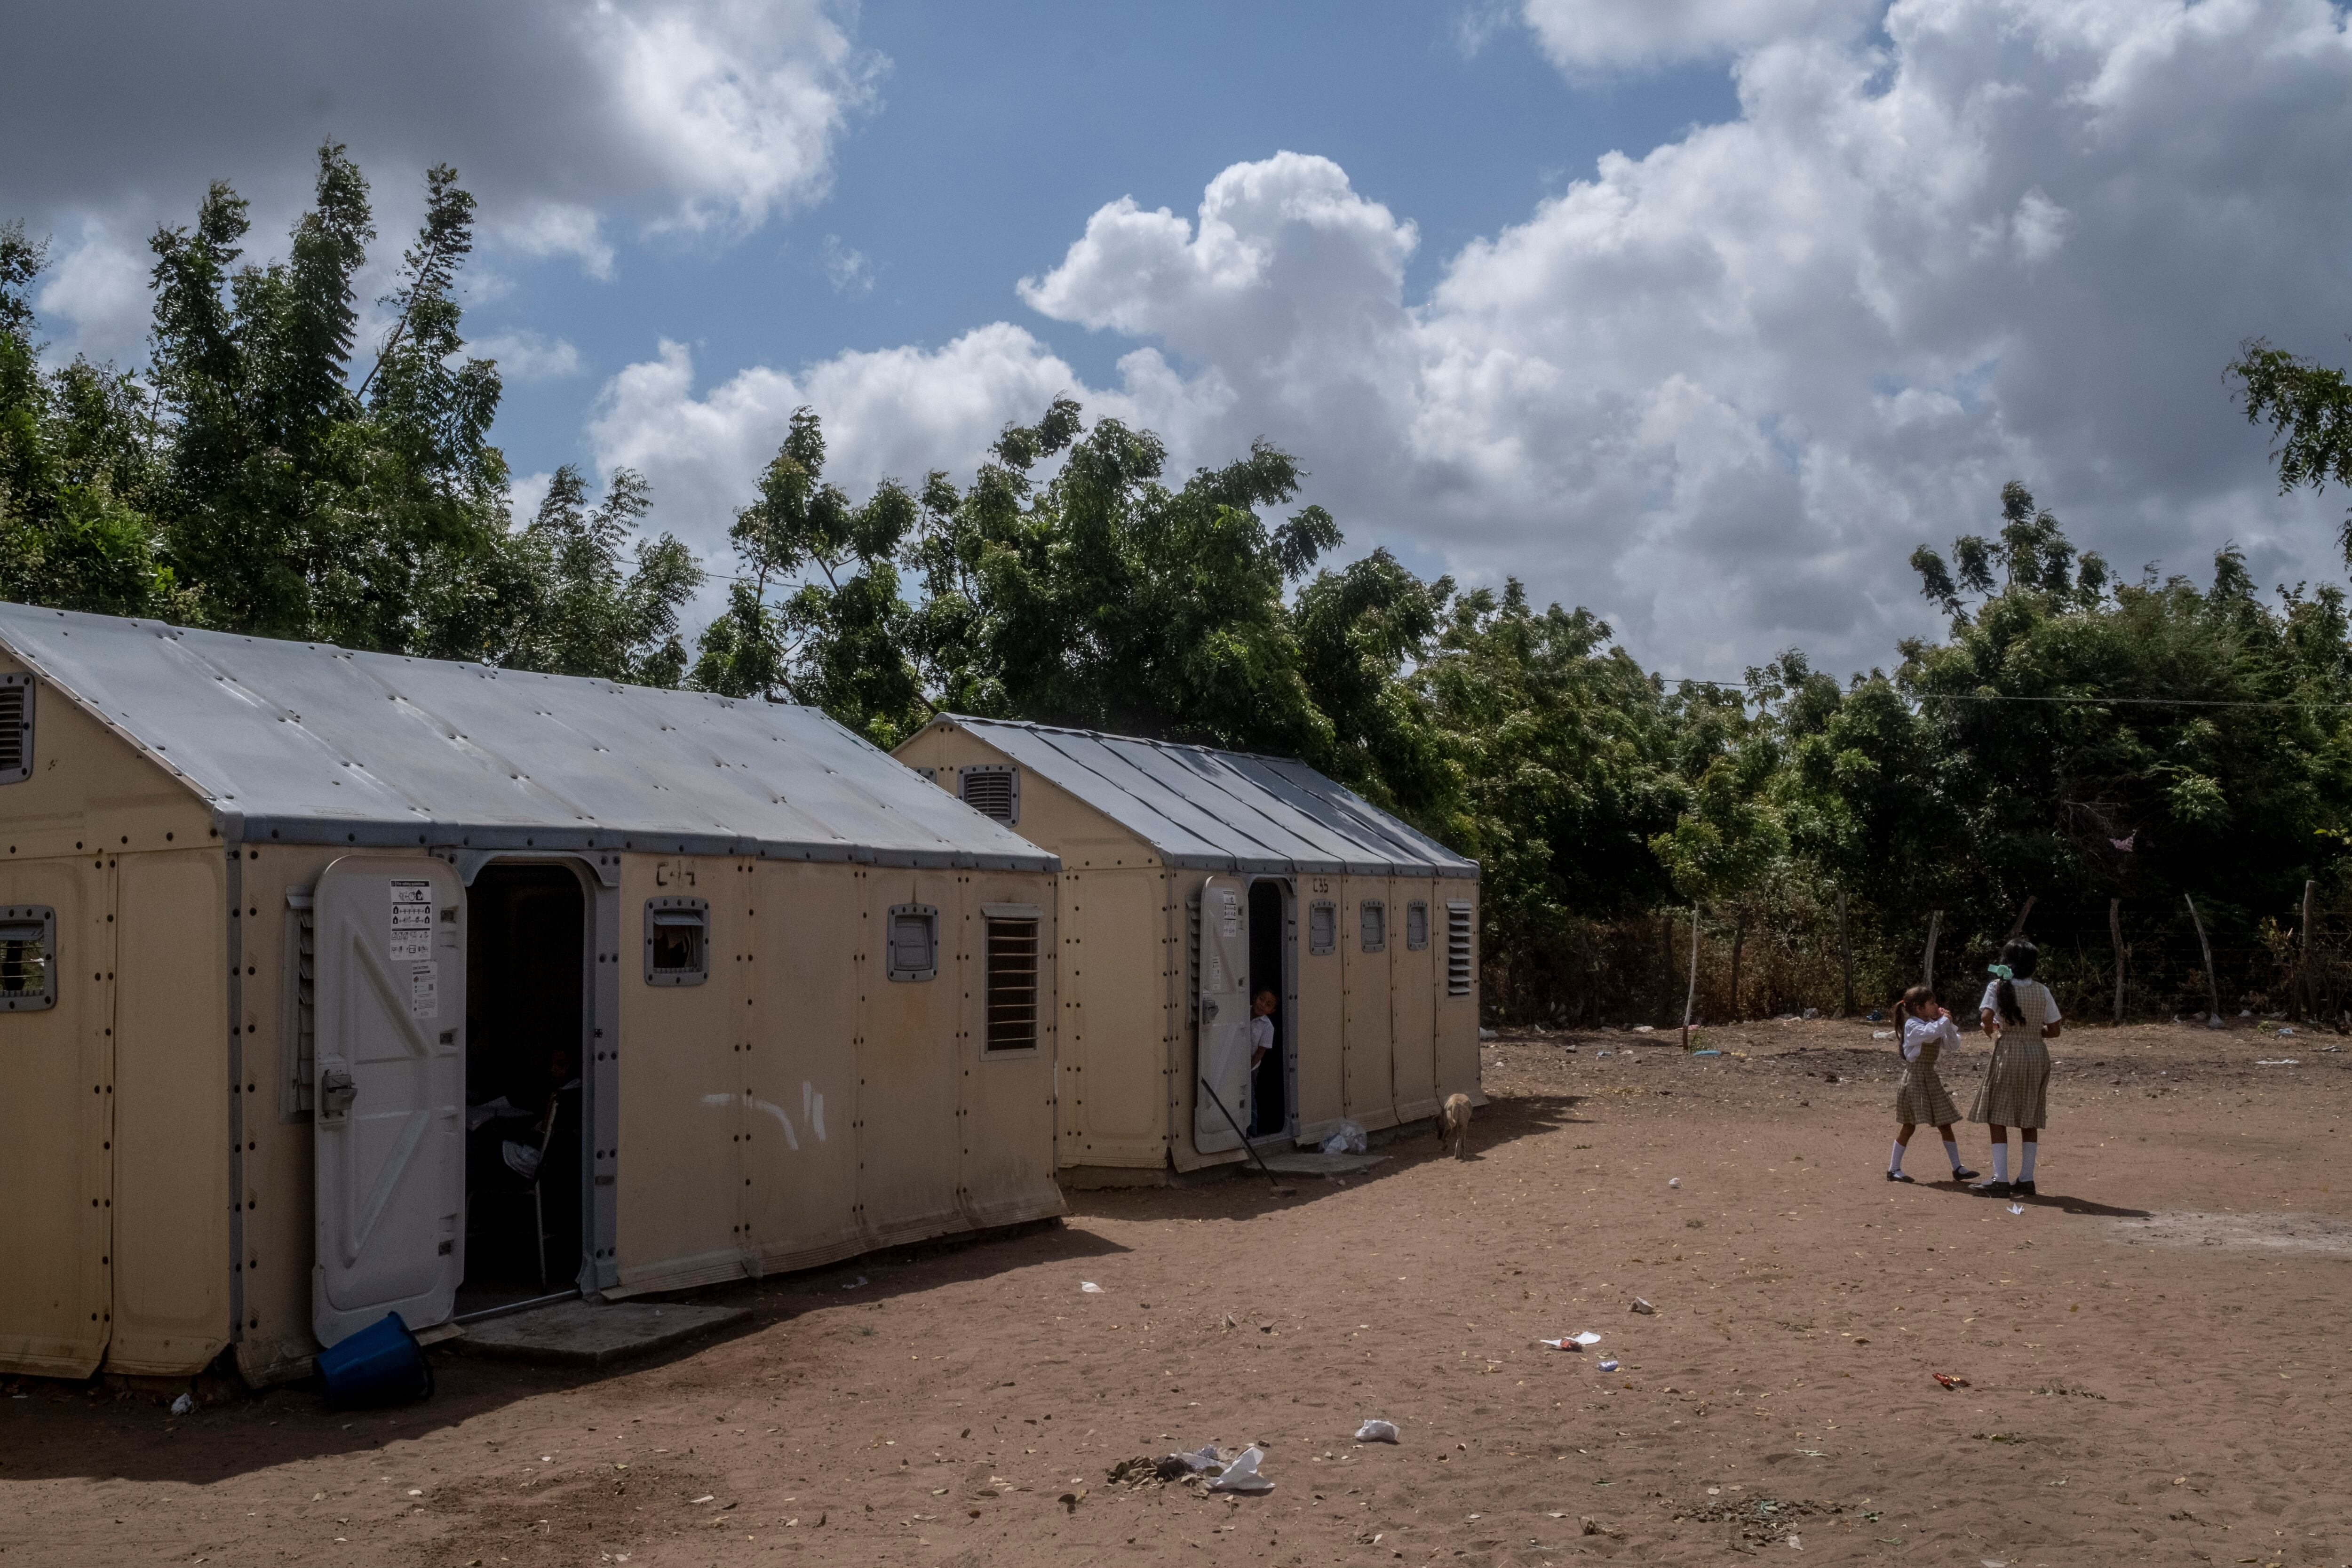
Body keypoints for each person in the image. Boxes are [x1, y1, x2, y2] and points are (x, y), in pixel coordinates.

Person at [1970, 938, 2059, 1196]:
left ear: (2006, 963)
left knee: (1997, 1115)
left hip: (2008, 1052)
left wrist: (1993, 1032)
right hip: (2036, 1054)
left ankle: (2000, 1179)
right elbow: (2054, 1030)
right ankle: (2027, 1179)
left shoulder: (1996, 986)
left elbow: (1986, 1018)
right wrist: (2032, 1031)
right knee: (2029, 1114)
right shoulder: (2043, 991)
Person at [1884, 985, 1979, 1183]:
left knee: (1945, 1122)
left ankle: (1957, 1168)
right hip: (1915, 1078)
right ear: (1919, 1008)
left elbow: (1953, 1045)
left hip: (1930, 1077)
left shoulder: (1934, 1024)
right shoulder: (1913, 1025)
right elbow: (1929, 1033)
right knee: (1909, 1125)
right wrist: (1944, 1020)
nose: (1937, 1006)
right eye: (1932, 1003)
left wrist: (1948, 1025)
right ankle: (1893, 1169)